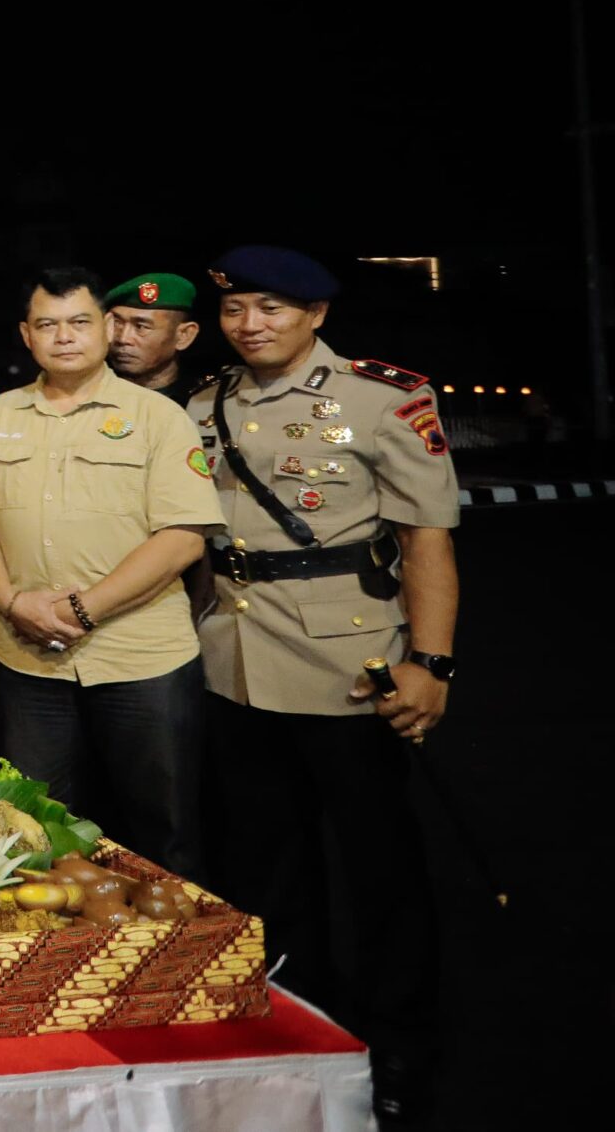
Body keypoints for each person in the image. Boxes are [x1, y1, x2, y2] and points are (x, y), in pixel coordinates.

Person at [184, 245, 459, 1124]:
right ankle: (299, 1025)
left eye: (270, 308)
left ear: (316, 315)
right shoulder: (205, 402)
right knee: (268, 860)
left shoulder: (385, 399)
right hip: (233, 659)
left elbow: (426, 542)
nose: (250, 324)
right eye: (236, 310)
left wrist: (432, 662)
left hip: (351, 664)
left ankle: (400, 1040)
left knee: (377, 863)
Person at [0, 267, 219, 879]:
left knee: (164, 831)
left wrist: (84, 608)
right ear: (27, 335)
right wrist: (11, 600)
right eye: (47, 324)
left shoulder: (158, 417)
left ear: (105, 328)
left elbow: (182, 538)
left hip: (140, 661)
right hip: (28, 662)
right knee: (33, 836)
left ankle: (174, 966)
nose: (64, 337)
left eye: (79, 322)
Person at [104, 271, 204, 396]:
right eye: (116, 323)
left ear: (184, 336)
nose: (123, 339)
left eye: (141, 327)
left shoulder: (203, 401)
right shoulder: (85, 392)